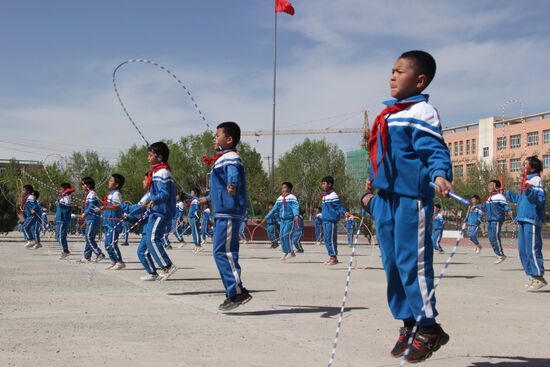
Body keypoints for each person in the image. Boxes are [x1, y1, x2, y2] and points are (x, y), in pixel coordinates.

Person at [361, 50, 451, 362]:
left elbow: (433, 148)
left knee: (412, 263)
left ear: (420, 80)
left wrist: (440, 174)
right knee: (392, 265)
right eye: (392, 70)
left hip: (411, 199)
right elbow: (384, 156)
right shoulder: (388, 114)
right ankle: (409, 323)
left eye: (400, 71)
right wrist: (374, 181)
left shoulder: (422, 112)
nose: (392, 76)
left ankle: (429, 327)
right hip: (386, 199)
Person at [200, 121, 252, 311]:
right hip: (222, 210)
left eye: (217, 135)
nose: (215, 138)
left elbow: (233, 173)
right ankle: (232, 291)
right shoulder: (221, 158)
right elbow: (218, 186)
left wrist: (232, 184)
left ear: (229, 139)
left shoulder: (230, 156)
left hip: (229, 211)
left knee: (226, 252)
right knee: (220, 252)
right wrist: (206, 199)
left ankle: (237, 292)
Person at [504, 156, 547, 291]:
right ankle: (532, 276)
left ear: (532, 167)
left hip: (531, 219)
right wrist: (506, 193)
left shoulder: (536, 180)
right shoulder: (527, 182)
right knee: (523, 250)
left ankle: (539, 276)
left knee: (532, 249)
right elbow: (520, 199)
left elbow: (540, 199)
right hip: (522, 219)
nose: (522, 166)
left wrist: (529, 191)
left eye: (525, 164)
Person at [143, 142, 178, 281]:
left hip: (161, 211)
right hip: (155, 211)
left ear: (159, 157)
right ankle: (158, 269)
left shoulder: (162, 173)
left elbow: (165, 194)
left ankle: (167, 266)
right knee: (148, 239)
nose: (148, 158)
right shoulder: (157, 172)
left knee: (153, 238)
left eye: (151, 155)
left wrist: (155, 200)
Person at [263, 182, 300, 261]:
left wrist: (296, 215)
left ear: (289, 189)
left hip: (290, 220)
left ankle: (291, 252)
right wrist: (267, 217)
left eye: (285, 187)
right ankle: (285, 252)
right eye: (282, 188)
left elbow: (295, 206)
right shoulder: (279, 198)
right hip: (282, 220)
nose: (283, 189)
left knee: (287, 235)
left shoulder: (292, 197)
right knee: (282, 236)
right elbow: (274, 209)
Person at [479, 179, 512, 264]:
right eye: (488, 185)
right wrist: (476, 206)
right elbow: (484, 208)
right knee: (491, 237)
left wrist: (509, 210)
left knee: (495, 236)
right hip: (490, 220)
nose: (489, 187)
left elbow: (505, 205)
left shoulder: (499, 196)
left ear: (496, 187)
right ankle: (498, 254)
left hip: (497, 219)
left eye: (491, 185)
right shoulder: (489, 198)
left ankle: (501, 254)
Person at [320, 176, 350, 265]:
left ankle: (334, 257)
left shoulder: (333, 195)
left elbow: (339, 206)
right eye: (322, 183)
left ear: (329, 184)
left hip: (331, 221)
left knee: (331, 239)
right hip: (325, 221)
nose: (322, 185)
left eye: (324, 183)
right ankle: (331, 256)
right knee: (326, 240)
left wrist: (345, 212)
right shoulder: (325, 196)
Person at [101, 174, 126, 270]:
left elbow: (118, 206)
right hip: (108, 221)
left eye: (111, 180)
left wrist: (106, 207)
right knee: (107, 243)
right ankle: (114, 261)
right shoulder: (111, 194)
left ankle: (120, 262)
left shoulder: (116, 194)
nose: (109, 182)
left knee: (112, 243)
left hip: (114, 222)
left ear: (116, 184)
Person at [80, 177, 106, 263]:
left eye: (83, 184)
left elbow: (91, 206)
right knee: (88, 238)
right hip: (90, 219)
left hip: (93, 218)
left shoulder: (91, 194)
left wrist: (85, 214)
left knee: (89, 237)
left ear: (88, 185)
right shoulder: (89, 194)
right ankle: (87, 257)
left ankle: (99, 253)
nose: (82, 186)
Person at [56, 183, 75, 259]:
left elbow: (66, 207)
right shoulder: (63, 198)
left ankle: (66, 250)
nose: (59, 191)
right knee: (60, 236)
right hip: (59, 219)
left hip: (62, 220)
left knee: (61, 236)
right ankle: (65, 250)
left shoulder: (66, 198)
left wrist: (60, 202)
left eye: (61, 189)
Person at [188, 188, 202, 253]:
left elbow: (197, 209)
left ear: (195, 194)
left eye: (192, 192)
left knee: (196, 231)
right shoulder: (193, 201)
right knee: (193, 232)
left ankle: (198, 245)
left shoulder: (196, 200)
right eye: (190, 192)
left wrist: (196, 214)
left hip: (194, 217)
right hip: (191, 218)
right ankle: (196, 245)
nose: (191, 194)